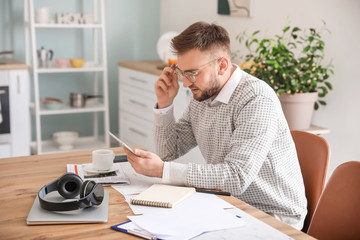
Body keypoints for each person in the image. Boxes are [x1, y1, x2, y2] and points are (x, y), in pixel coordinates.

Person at [123, 21, 307, 230]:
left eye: (193, 73)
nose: (185, 83)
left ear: (222, 66)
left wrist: (163, 171)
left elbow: (237, 177)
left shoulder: (256, 99)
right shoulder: (202, 97)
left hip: (272, 215)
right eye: (182, 73)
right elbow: (169, 152)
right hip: (229, 203)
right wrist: (165, 104)